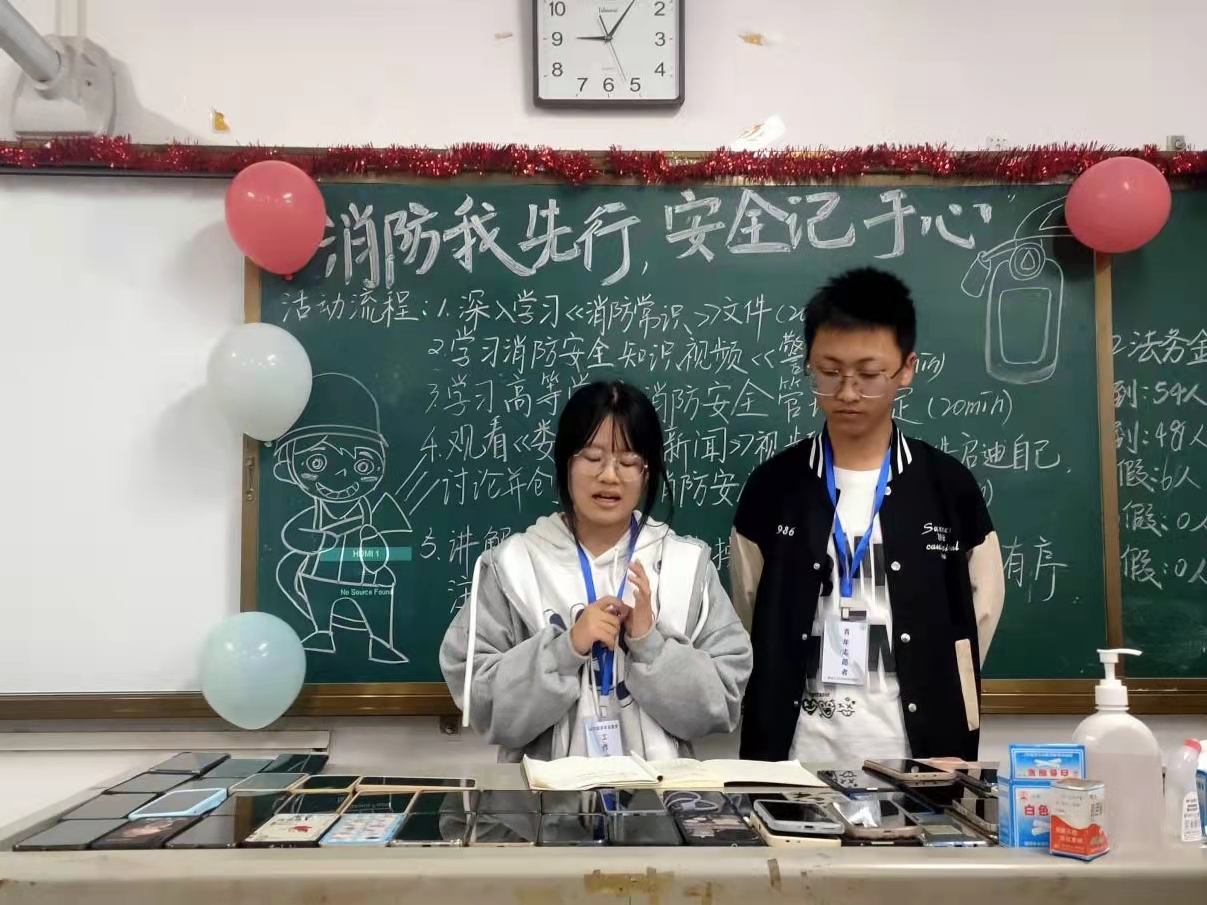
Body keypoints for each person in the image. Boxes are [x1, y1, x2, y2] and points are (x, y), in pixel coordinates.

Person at [730, 268, 1006, 763]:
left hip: (921, 757)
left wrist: (945, 686)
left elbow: (980, 611)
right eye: (830, 372)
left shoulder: (947, 486)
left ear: (906, 369)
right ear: (810, 363)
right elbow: (749, 610)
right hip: (794, 756)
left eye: (869, 374)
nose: (848, 392)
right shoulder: (774, 486)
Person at [441, 380, 752, 762]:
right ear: (566, 462)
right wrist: (566, 648)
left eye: (628, 461)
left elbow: (723, 701)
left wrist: (650, 644)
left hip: (660, 795)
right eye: (592, 457)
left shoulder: (684, 565)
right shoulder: (514, 566)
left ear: (647, 472)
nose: (609, 475)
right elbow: (480, 701)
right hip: (542, 797)